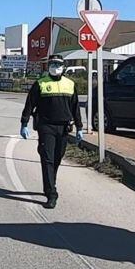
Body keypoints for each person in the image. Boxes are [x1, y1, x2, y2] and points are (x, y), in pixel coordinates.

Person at [19, 54, 83, 209]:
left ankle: (50, 181)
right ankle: (51, 193)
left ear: (63, 67)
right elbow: (30, 104)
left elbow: (75, 107)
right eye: (52, 64)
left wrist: (80, 127)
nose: (55, 67)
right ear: (48, 67)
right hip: (45, 126)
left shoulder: (70, 84)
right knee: (47, 158)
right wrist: (24, 123)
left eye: (58, 64)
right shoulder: (40, 84)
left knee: (57, 158)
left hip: (63, 127)